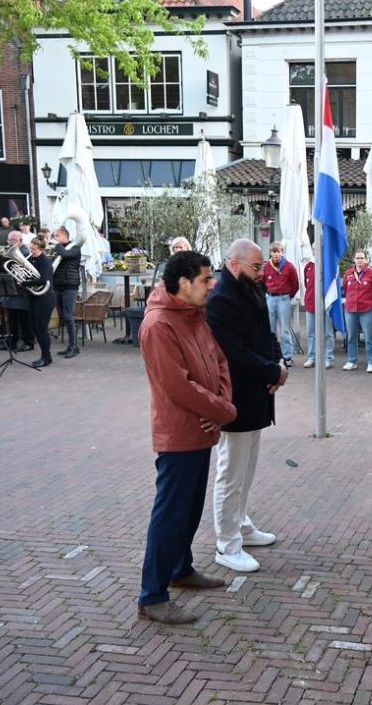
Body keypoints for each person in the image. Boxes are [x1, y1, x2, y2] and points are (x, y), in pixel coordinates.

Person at [137, 250, 236, 625]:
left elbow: (218, 360)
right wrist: (222, 410)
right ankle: (152, 596)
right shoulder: (158, 325)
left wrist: (221, 404)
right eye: (206, 279)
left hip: (202, 428)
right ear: (183, 283)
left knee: (190, 510)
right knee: (170, 514)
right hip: (179, 434)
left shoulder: (195, 314)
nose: (213, 285)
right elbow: (178, 386)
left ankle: (180, 568)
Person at [206, 239, 287, 574]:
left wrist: (279, 363)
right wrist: (273, 371)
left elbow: (266, 334)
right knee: (231, 474)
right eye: (256, 267)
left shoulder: (251, 288)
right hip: (235, 398)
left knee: (246, 469)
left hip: (256, 396)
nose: (262, 272)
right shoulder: (220, 299)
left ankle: (241, 525)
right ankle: (227, 544)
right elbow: (233, 353)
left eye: (262, 266)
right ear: (234, 264)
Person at [342, 251, 372, 372]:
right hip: (351, 310)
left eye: (362, 258)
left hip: (367, 310)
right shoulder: (348, 274)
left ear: (366, 260)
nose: (359, 260)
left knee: (369, 337)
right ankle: (352, 361)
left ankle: (371, 362)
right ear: (354, 259)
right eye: (357, 258)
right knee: (351, 337)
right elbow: (345, 289)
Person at [262, 242, 299, 367]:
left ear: (282, 253)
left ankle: (287, 356)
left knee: (285, 329)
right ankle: (272, 355)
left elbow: (295, 284)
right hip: (270, 299)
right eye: (274, 252)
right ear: (270, 253)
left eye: (279, 251)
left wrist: (288, 296)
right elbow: (262, 282)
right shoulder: (267, 266)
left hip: (284, 299)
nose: (276, 254)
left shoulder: (289, 266)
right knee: (270, 329)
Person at [0, 231, 34, 352]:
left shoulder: (25, 253)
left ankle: (28, 342)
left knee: (24, 319)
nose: (10, 243)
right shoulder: (8, 251)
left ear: (20, 240)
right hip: (11, 287)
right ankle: (12, 342)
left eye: (13, 240)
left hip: (22, 289)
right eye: (9, 240)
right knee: (11, 318)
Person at [52, 226, 82, 358]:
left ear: (65, 235)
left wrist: (56, 245)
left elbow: (65, 254)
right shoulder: (58, 248)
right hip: (57, 285)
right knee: (63, 316)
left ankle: (74, 346)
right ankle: (70, 345)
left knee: (68, 315)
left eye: (57, 235)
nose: (55, 238)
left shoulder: (75, 248)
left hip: (70, 286)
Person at [26, 237, 56, 368]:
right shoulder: (30, 260)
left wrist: (25, 283)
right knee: (35, 327)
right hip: (33, 296)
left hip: (45, 297)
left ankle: (46, 357)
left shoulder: (45, 261)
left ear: (41, 249)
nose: (31, 251)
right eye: (30, 248)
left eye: (34, 249)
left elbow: (44, 280)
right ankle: (45, 356)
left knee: (41, 328)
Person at [302, 258, 334, 369]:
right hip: (311, 303)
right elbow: (307, 285)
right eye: (314, 249)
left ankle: (329, 358)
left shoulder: (328, 264)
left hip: (326, 304)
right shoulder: (308, 266)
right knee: (311, 333)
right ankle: (312, 358)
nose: (316, 250)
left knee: (328, 333)